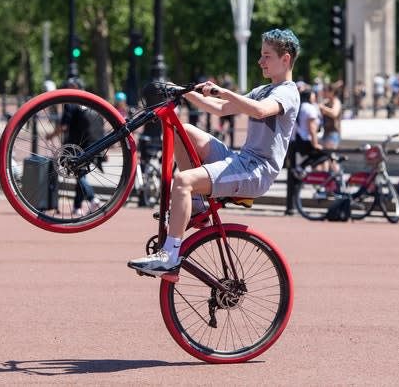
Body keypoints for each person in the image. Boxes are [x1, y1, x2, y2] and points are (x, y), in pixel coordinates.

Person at [128, 28, 301, 276]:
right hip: (241, 160)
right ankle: (197, 206)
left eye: (266, 56)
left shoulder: (287, 92)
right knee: (183, 130)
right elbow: (220, 108)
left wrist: (225, 91)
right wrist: (182, 91)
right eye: (261, 55)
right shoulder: (264, 89)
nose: (260, 61)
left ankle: (169, 256)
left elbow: (260, 111)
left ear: (285, 59)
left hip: (256, 172)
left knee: (183, 181)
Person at [45, 77, 102, 216]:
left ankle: (93, 198)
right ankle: (77, 206)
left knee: (79, 174)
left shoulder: (71, 103)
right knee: (81, 173)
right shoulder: (90, 102)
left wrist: (51, 135)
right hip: (96, 143)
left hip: (76, 145)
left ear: (75, 87)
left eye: (69, 86)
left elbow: (64, 126)